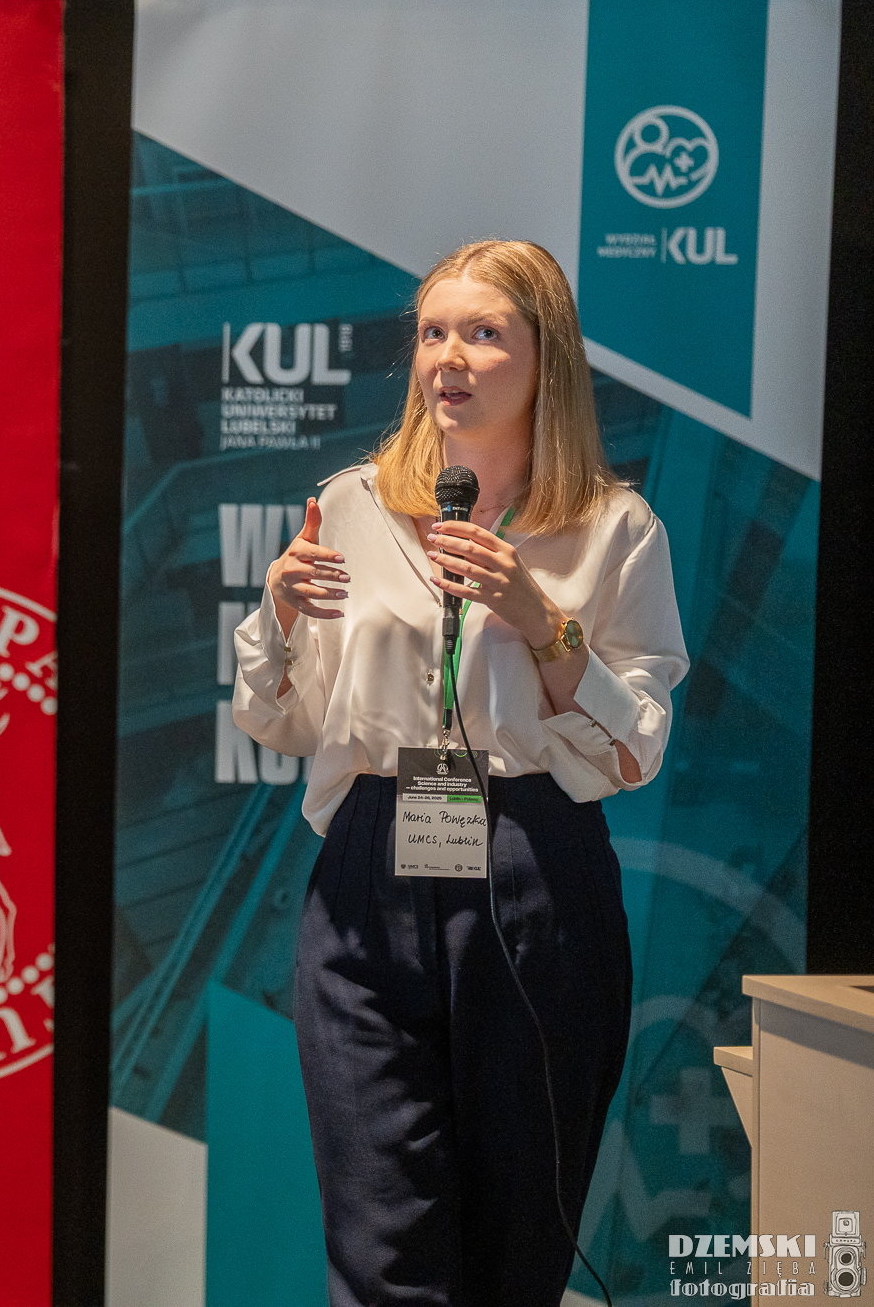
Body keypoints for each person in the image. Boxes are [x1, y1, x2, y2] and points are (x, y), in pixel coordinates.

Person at [233, 239, 687, 1306]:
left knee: (514, 1248)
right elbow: (283, 720)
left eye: (484, 333)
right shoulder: (348, 504)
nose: (449, 356)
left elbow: (636, 747)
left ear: (545, 358)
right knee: (381, 1244)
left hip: (534, 868)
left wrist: (541, 620)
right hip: (368, 870)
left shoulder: (613, 528)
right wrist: (279, 614)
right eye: (434, 331)